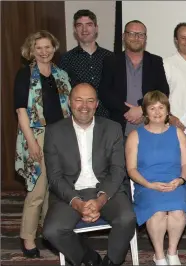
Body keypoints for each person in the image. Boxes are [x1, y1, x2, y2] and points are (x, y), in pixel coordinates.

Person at [42, 83, 136, 266]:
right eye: (78, 100)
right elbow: (54, 177)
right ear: (70, 103)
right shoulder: (54, 132)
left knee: (127, 218)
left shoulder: (112, 128)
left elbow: (117, 170)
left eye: (90, 101)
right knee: (52, 231)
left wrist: (100, 201)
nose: (84, 106)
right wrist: (77, 203)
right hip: (70, 192)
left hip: (106, 190)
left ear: (97, 104)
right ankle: (87, 258)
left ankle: (112, 262)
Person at [14, 30, 72, 258]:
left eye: (48, 47)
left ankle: (50, 235)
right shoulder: (24, 75)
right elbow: (21, 111)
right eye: (39, 48)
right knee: (37, 191)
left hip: (60, 136)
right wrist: (32, 144)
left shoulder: (62, 74)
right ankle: (27, 237)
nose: (44, 51)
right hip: (35, 136)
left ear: (54, 48)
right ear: (31, 50)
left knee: (54, 191)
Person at [125, 91, 186, 265]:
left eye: (161, 107)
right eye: (152, 108)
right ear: (145, 113)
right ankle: (159, 256)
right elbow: (131, 169)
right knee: (157, 212)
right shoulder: (135, 136)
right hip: (146, 185)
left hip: (175, 183)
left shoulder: (178, 134)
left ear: (168, 111)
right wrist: (149, 184)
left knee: (178, 211)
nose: (157, 111)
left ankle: (172, 253)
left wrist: (181, 180)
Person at [99, 20, 171, 136]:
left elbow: (163, 91)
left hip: (150, 126)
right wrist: (128, 111)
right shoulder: (111, 61)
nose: (136, 38)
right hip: (119, 127)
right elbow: (104, 92)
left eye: (140, 34)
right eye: (131, 33)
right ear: (124, 36)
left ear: (145, 38)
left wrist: (142, 109)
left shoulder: (155, 61)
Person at [59, 9, 114, 118]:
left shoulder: (111, 57)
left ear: (96, 28)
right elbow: (62, 92)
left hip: (108, 118)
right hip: (79, 118)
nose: (84, 29)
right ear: (75, 29)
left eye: (89, 25)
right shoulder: (66, 59)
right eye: (80, 25)